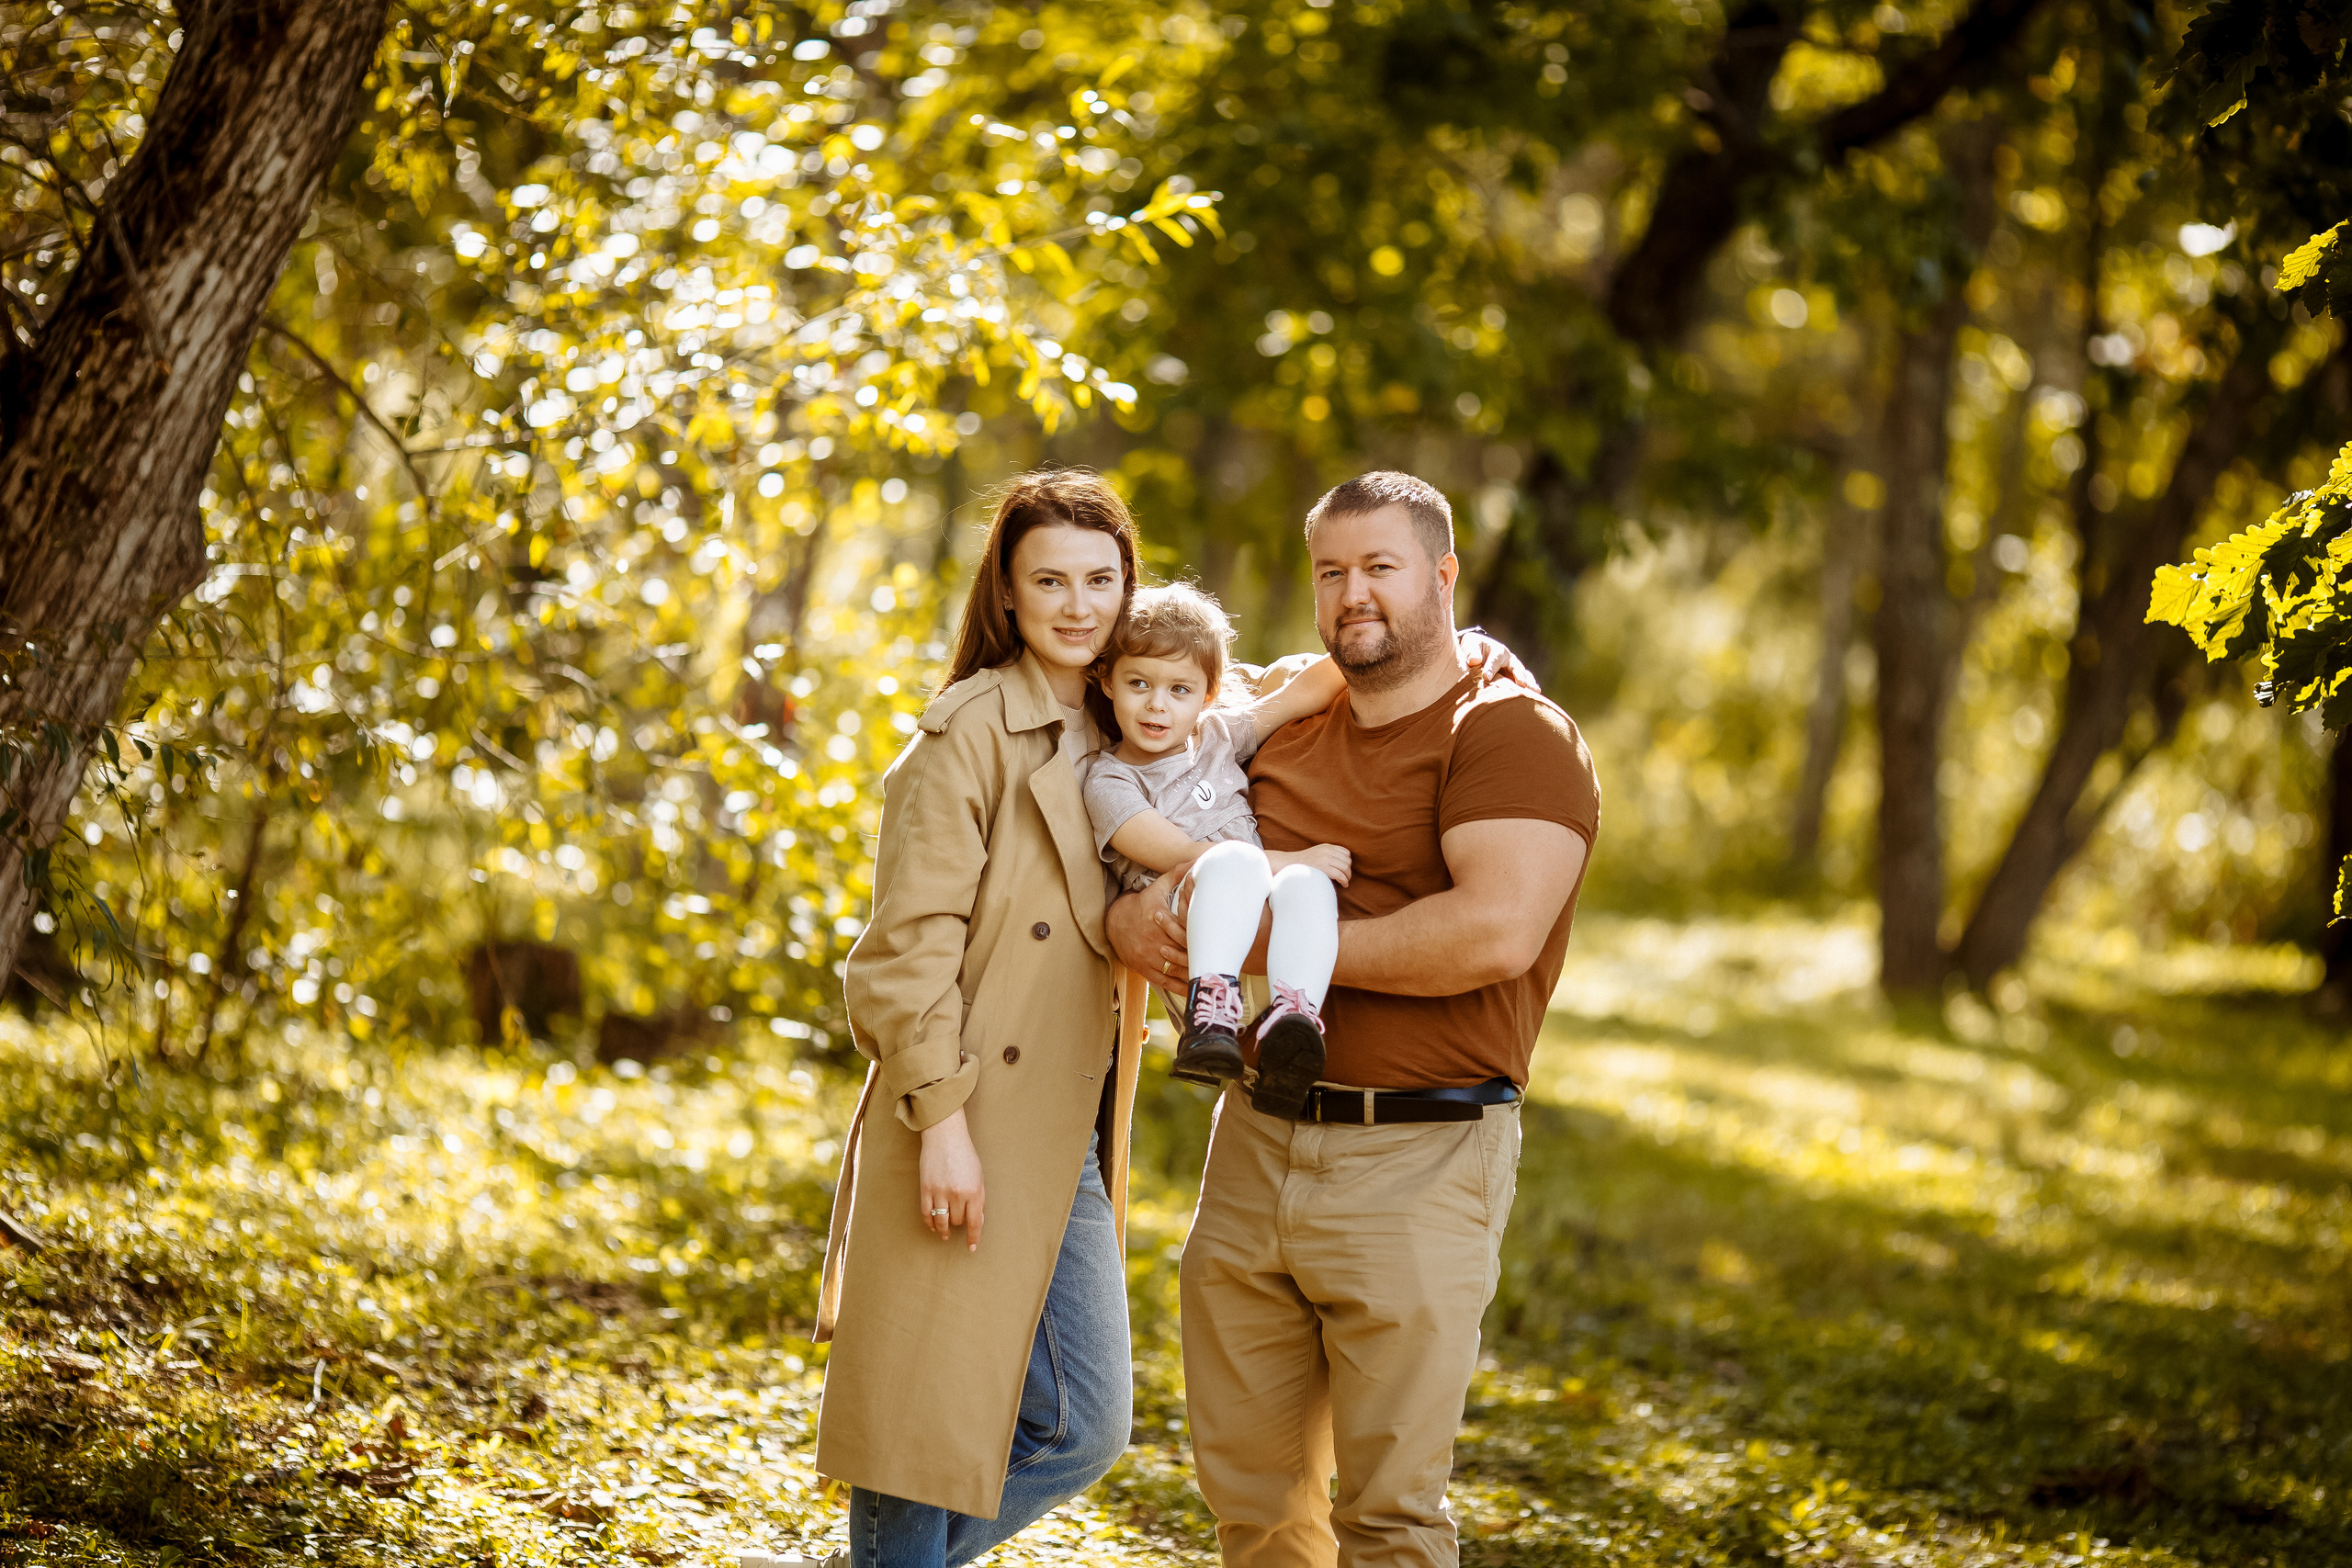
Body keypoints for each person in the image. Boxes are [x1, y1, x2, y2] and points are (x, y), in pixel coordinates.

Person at [1106, 471, 1600, 1568]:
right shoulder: (1282, 709)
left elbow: (1492, 933)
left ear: (1442, 576)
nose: (1353, 593)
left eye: (1380, 566)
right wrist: (1130, 924)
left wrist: (1270, 956)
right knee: (1259, 1507)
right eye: (1332, 571)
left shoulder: (1510, 731)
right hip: (1252, 1145)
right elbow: (1126, 782)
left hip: (1418, 1158)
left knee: (1388, 1520)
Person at [796, 469, 1146, 1568]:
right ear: (1008, 590)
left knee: (1087, 1424)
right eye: (1051, 580)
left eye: (1101, 579)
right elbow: (907, 951)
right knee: (917, 1434)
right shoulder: (967, 732)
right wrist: (943, 1120)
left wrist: (1471, 658)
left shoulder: (1125, 722)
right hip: (957, 1110)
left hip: (1064, 1131)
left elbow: (1252, 691)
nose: (1078, 605)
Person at [1078, 582, 1351, 1108]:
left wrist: (1453, 645)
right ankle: (1210, 1017)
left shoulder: (1218, 734)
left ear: (1207, 694)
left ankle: (1291, 1023)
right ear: (1107, 681)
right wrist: (1287, 857)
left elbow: (1304, 692)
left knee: (1309, 885)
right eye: (1139, 683)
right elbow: (1181, 855)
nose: (1157, 705)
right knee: (1241, 864)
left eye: (1179, 690)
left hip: (1258, 930)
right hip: (1190, 934)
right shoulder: (1108, 782)